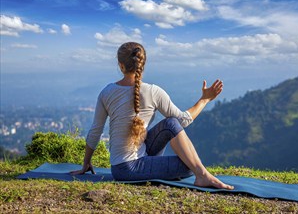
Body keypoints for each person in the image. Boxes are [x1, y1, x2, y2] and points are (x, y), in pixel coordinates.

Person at [71, 42, 234, 190]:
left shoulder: (107, 92)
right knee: (189, 165)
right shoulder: (153, 91)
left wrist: (86, 163)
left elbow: (95, 131)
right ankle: (202, 175)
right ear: (142, 64)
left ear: (121, 66)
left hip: (120, 166)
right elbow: (184, 120)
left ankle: (201, 174)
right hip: (128, 169)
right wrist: (205, 100)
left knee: (171, 124)